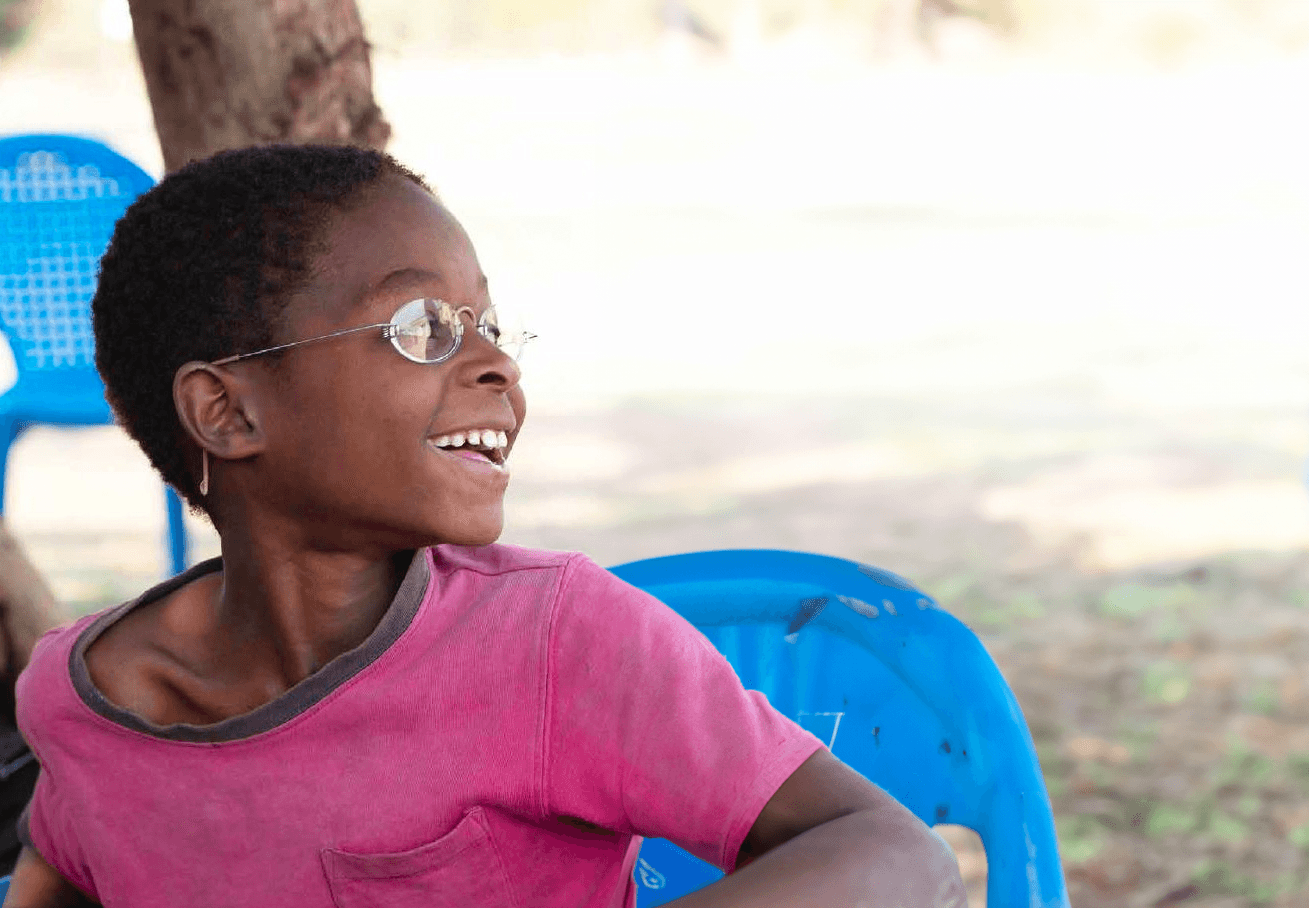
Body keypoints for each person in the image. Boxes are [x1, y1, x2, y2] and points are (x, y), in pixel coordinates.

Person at [4, 145, 965, 907]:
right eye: (422, 328)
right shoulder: (86, 702)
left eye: (489, 325)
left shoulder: (553, 642)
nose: (497, 364)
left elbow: (897, 859)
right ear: (229, 412)